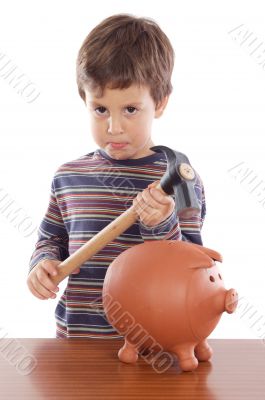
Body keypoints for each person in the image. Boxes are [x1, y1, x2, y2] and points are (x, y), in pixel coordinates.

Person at [27, 14, 206, 339]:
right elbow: (51, 239)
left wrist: (161, 224)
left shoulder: (179, 180)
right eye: (100, 110)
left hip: (154, 348)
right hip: (78, 342)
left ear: (161, 103)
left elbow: (195, 269)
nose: (114, 127)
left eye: (131, 110)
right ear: (85, 99)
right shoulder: (68, 177)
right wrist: (43, 264)